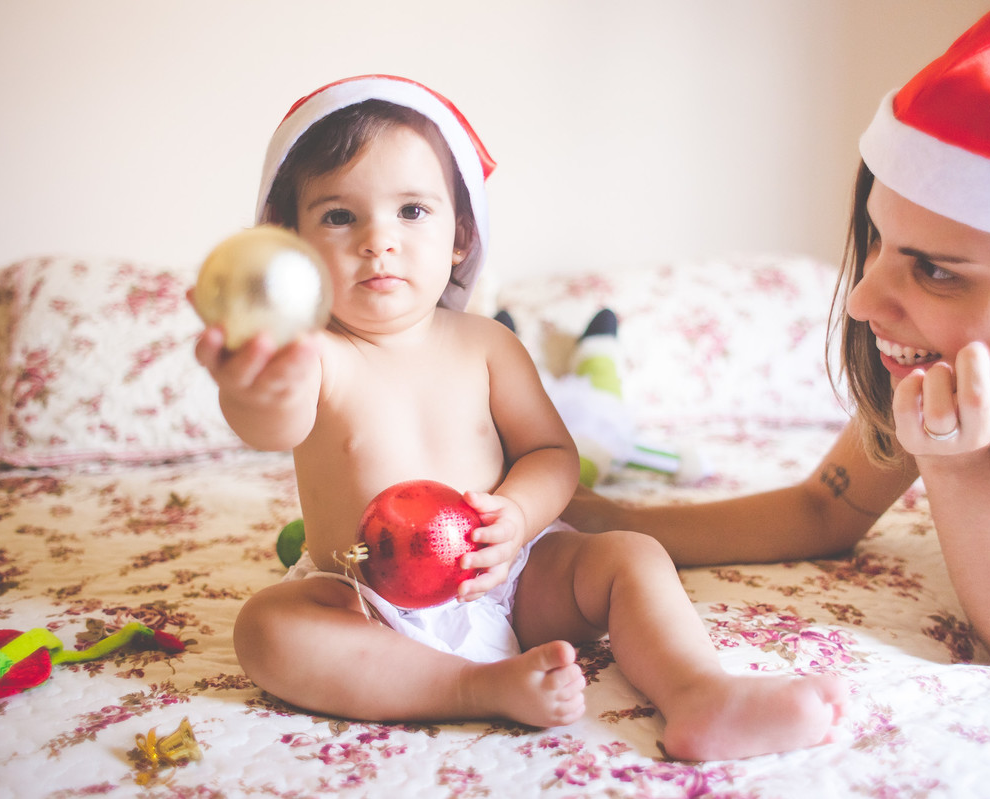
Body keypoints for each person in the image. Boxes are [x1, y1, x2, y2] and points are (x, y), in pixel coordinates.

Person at [193, 75, 847, 761]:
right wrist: (258, 385)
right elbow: (269, 422)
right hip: (364, 595)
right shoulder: (319, 356)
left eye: (412, 211)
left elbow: (552, 454)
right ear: (290, 246)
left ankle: (698, 692)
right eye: (338, 216)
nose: (377, 240)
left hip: (507, 575)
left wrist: (517, 517)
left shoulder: (486, 344)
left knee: (629, 554)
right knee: (267, 628)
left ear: (460, 236)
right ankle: (474, 686)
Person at [564, 0, 990, 688]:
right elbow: (824, 507)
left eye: (938, 270)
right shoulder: (940, 368)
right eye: (878, 241)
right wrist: (607, 518)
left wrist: (954, 465)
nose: (861, 301)